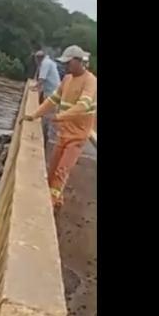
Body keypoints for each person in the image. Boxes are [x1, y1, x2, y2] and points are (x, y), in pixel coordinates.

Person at [24, 44, 95, 213]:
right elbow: (52, 100)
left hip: (77, 136)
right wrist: (35, 114)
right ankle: (56, 200)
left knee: (61, 171)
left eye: (69, 63)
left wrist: (59, 117)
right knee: (53, 168)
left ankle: (51, 205)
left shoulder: (90, 81)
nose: (66, 66)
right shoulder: (67, 79)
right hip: (64, 133)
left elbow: (82, 107)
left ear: (79, 61)